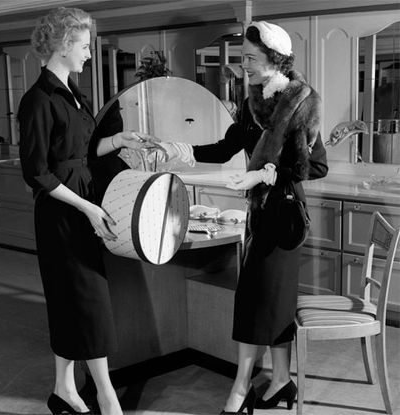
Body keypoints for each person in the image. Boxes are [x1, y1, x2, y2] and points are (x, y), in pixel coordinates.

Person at [151, 20, 328, 413]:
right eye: (243, 57)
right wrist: (179, 149)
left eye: (249, 57)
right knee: (270, 302)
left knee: (256, 302)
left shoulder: (303, 101)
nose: (242, 63)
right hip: (260, 215)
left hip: (285, 219)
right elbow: (225, 146)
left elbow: (315, 168)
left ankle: (240, 387)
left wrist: (263, 173)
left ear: (273, 59)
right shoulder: (253, 102)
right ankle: (281, 381)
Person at [17, 7, 158, 415]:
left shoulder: (74, 94)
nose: (89, 55)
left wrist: (118, 139)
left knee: (69, 301)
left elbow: (81, 154)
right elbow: (36, 172)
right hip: (61, 214)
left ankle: (63, 388)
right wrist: (87, 209)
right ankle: (108, 396)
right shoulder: (38, 100)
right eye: (84, 46)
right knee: (89, 302)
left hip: (81, 205)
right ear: (63, 46)